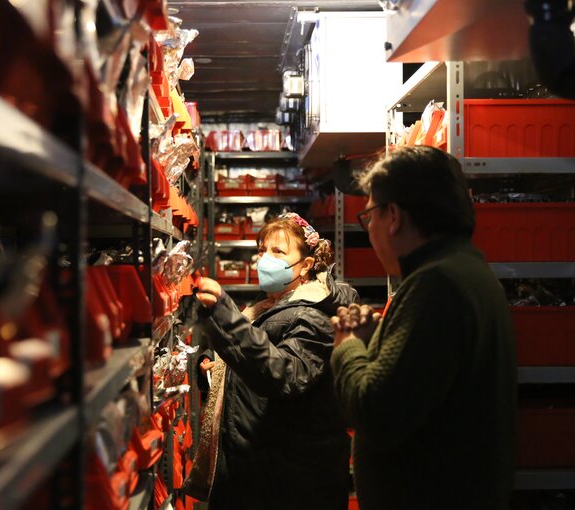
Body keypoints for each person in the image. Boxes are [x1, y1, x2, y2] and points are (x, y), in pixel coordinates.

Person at [329, 146, 517, 510]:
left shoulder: (436, 286)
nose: (370, 233)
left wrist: (348, 344)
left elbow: (376, 412)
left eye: (370, 216)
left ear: (394, 216)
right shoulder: (465, 271)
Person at [183, 212, 358, 510]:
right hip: (262, 473)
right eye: (262, 250)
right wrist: (215, 364)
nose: (265, 259)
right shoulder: (269, 307)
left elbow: (283, 374)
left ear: (305, 265)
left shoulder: (313, 316)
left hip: (289, 485)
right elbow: (256, 357)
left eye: (278, 251)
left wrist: (225, 315)